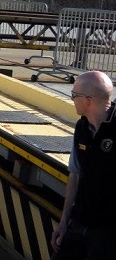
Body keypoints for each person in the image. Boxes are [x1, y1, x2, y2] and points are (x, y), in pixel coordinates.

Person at [50, 70, 116, 259]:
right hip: (80, 221)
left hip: (107, 231)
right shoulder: (81, 128)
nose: (71, 99)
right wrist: (64, 221)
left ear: (87, 100)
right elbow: (75, 173)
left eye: (74, 95)